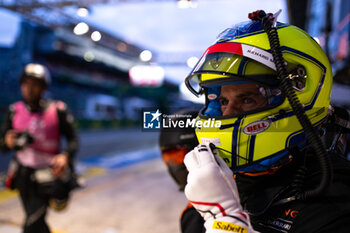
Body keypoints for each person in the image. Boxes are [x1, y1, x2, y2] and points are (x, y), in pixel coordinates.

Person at [183, 10, 350, 233]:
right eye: (223, 100)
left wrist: (227, 222)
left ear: (299, 96)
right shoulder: (218, 184)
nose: (228, 112)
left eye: (247, 99)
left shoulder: (337, 200)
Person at [0, 63, 79, 233]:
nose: (29, 89)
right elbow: (3, 144)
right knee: (35, 218)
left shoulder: (58, 110)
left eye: (34, 84)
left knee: (31, 223)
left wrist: (65, 156)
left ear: (43, 87)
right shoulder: (14, 111)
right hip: (23, 175)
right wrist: (6, 142)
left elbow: (73, 140)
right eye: (26, 84)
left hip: (49, 175)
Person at [158, 109, 205, 233]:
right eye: (168, 158)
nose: (173, 165)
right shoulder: (192, 211)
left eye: (177, 155)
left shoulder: (196, 216)